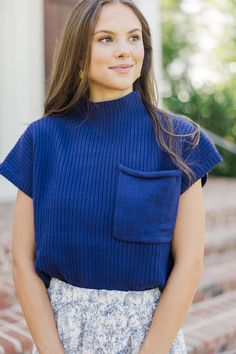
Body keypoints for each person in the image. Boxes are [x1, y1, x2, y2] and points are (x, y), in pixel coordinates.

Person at [0, 0, 223, 353]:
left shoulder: (180, 141)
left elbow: (189, 264)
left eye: (134, 38)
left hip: (149, 343)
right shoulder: (41, 140)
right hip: (60, 339)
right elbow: (22, 262)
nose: (125, 51)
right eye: (106, 39)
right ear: (77, 51)